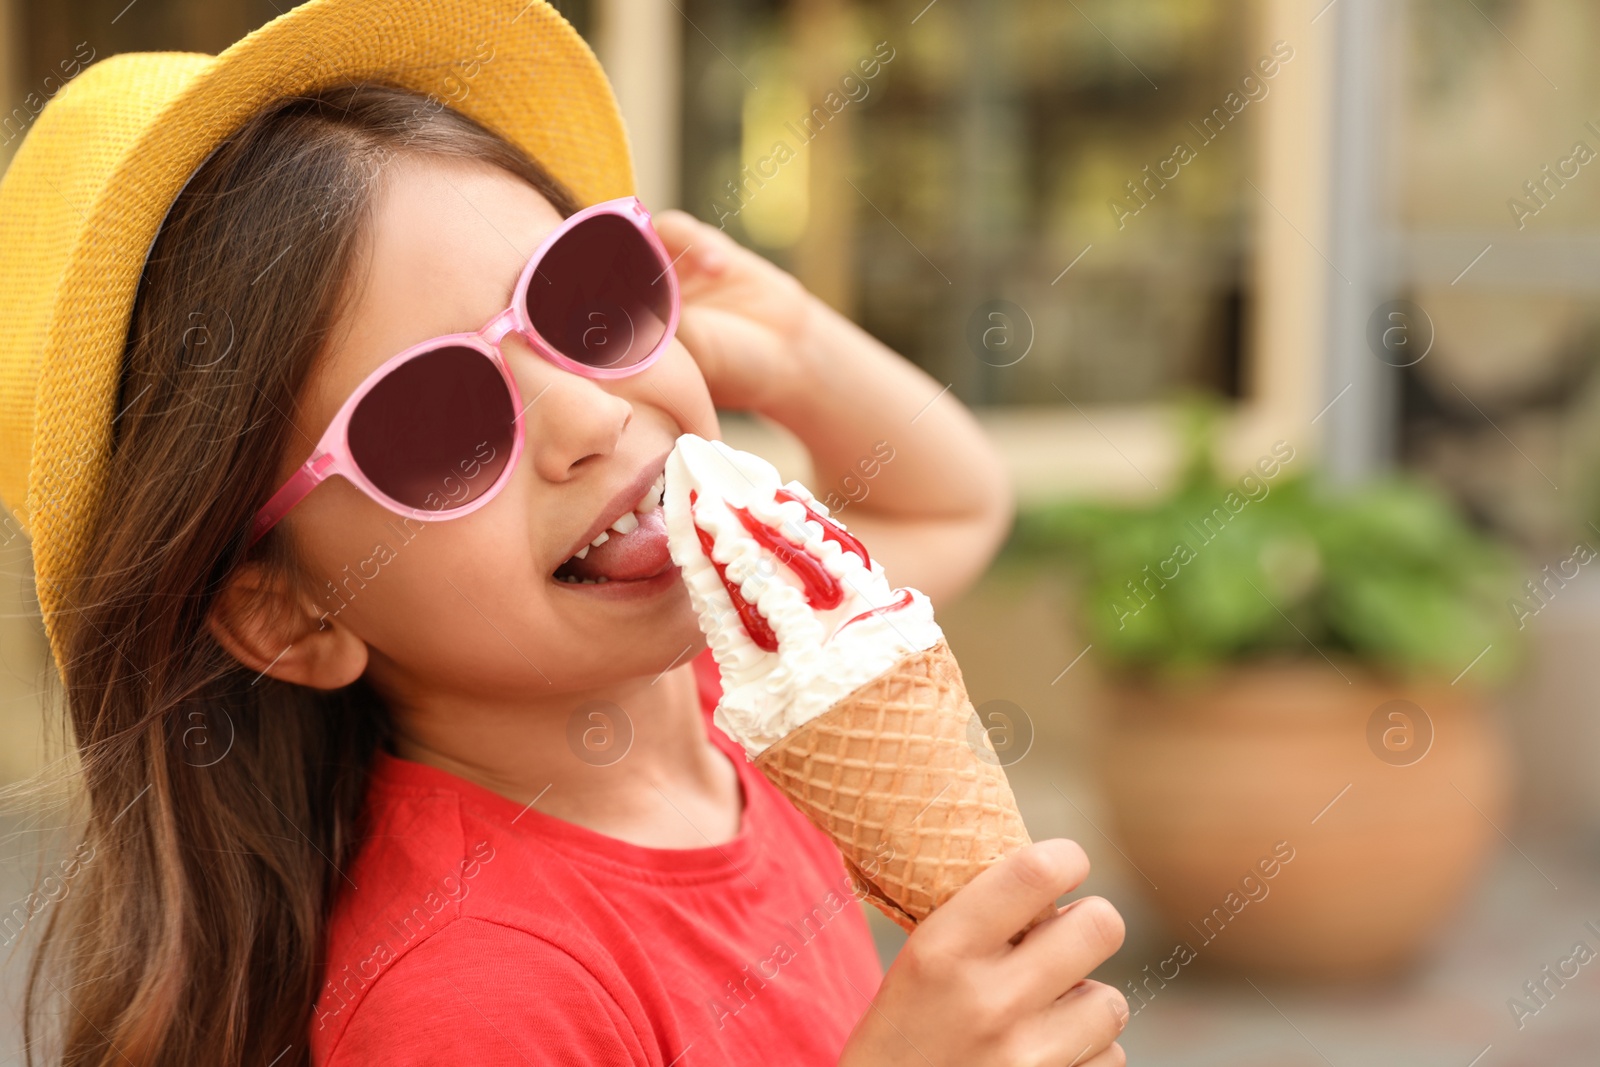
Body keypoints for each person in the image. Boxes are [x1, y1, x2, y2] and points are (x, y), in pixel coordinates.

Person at [0, 2, 1127, 1064]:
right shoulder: (472, 990)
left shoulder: (736, 690)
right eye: (436, 419)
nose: (590, 412)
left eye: (586, 299)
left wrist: (792, 347)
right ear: (283, 609)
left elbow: (949, 507)